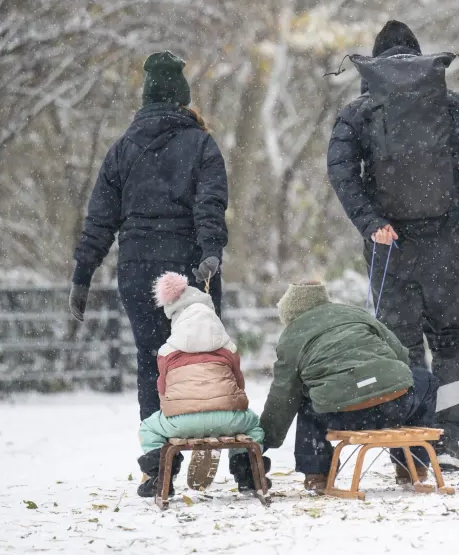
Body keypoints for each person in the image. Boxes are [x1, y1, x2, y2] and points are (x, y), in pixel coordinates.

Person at [326, 20, 459, 471]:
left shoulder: (358, 112)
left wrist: (371, 222)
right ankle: (446, 440)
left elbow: (342, 172)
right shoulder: (455, 107)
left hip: (391, 245)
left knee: (399, 344)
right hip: (449, 242)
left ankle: (408, 447)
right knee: (452, 340)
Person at [69, 51, 228, 483]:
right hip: (191, 266)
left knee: (151, 363)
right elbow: (210, 204)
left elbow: (100, 219)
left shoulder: (122, 149)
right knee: (204, 356)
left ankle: (157, 465)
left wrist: (83, 273)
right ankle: (207, 435)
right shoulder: (201, 144)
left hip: (139, 268)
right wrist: (211, 250)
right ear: (182, 98)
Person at [259, 282, 439, 492]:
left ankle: (317, 473)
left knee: (306, 399)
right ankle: (412, 465)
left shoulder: (291, 337)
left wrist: (266, 440)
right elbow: (401, 354)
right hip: (396, 404)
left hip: (341, 414)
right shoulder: (353, 313)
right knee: (426, 380)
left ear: (290, 315)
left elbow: (283, 396)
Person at [134, 272, 263, 497]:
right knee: (253, 426)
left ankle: (160, 475)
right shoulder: (228, 348)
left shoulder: (167, 351)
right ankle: (247, 474)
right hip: (228, 419)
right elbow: (238, 384)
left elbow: (163, 390)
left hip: (181, 423)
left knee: (148, 428)